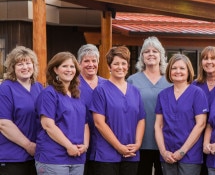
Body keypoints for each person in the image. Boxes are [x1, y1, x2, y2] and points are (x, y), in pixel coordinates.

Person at [89, 46, 146, 175]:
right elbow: (99, 123)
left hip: (131, 153)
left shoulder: (135, 91)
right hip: (107, 155)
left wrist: (137, 144)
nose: (120, 67)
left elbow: (141, 119)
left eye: (123, 63)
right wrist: (119, 147)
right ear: (109, 67)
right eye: (116, 64)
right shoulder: (101, 90)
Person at [35, 52, 89, 175]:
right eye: (65, 66)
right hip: (54, 158)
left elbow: (84, 123)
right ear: (55, 69)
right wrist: (69, 146)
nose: (69, 70)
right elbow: (48, 125)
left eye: (72, 66)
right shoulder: (48, 94)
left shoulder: (77, 95)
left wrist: (85, 145)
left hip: (77, 157)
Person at [154, 53, 208, 175]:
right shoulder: (163, 95)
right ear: (169, 71)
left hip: (190, 155)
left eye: (182, 68)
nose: (178, 71)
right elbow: (158, 126)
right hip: (167, 154)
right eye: (174, 68)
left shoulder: (197, 93)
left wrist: (182, 151)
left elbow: (201, 124)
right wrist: (163, 152)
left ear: (189, 71)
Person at [127, 36, 172, 175]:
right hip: (140, 140)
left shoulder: (171, 80)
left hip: (165, 141)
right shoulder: (132, 80)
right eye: (146, 51)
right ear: (142, 56)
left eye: (155, 51)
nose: (151, 54)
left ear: (161, 56)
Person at [0, 46, 42, 175]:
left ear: (34, 66)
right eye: (20, 64)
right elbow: (3, 124)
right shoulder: (6, 88)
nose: (25, 67)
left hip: (37, 156)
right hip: (13, 157)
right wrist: (29, 146)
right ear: (12, 67)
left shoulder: (39, 87)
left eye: (28, 63)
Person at [193, 46, 215, 175]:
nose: (209, 61)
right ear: (201, 63)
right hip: (196, 140)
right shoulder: (194, 85)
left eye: (213, 58)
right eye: (205, 58)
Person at [77, 44, 106, 175]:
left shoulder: (107, 85)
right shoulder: (73, 85)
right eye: (86, 61)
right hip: (79, 140)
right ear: (79, 63)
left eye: (94, 61)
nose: (91, 64)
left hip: (103, 141)